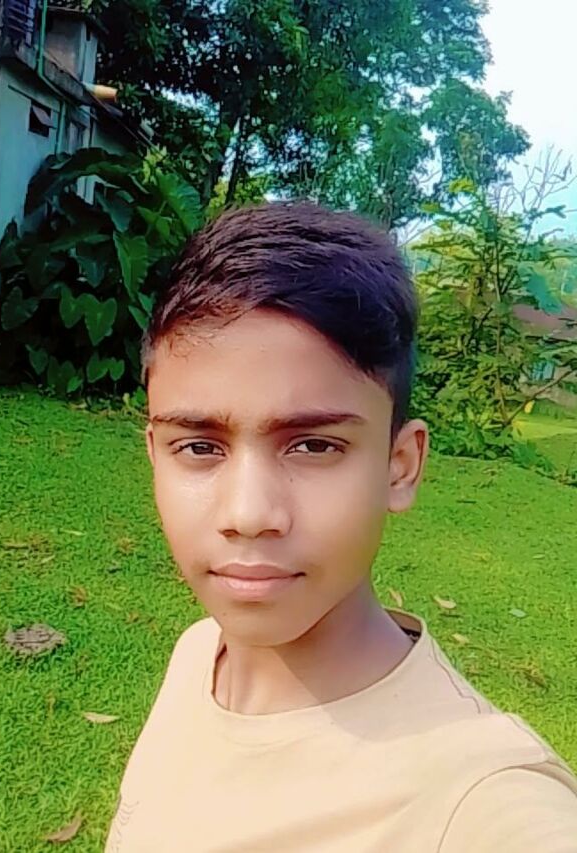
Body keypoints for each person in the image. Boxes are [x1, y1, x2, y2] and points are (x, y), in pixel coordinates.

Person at [105, 202, 577, 852]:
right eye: (200, 447)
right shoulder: (199, 653)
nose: (249, 514)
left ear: (400, 466)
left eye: (314, 446)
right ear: (155, 455)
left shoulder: (479, 799)